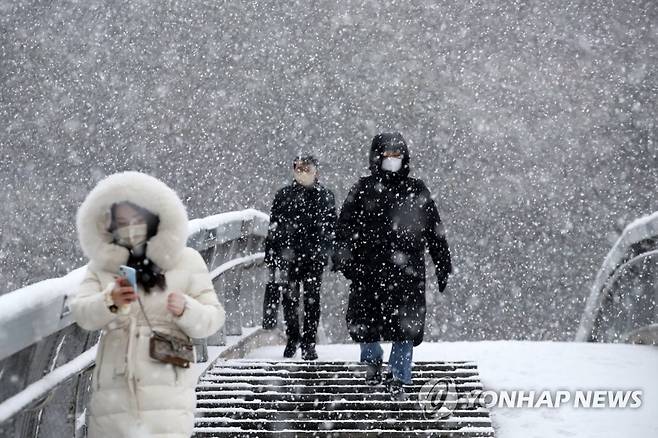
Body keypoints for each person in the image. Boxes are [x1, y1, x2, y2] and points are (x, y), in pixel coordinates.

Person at [70, 171, 225, 438]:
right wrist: (109, 301)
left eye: (136, 220)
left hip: (169, 390)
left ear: (153, 218)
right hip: (114, 391)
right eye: (121, 222)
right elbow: (82, 313)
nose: (130, 228)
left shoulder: (186, 260)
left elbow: (213, 318)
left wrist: (186, 309)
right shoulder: (101, 267)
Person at [332, 132, 452, 400]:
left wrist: (443, 263)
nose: (392, 161)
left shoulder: (417, 190)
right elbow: (344, 229)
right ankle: (371, 362)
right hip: (368, 271)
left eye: (397, 156)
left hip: (407, 272)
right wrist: (345, 261)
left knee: (406, 326)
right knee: (365, 321)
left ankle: (399, 374)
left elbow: (435, 231)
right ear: (377, 157)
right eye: (387, 156)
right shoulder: (361, 190)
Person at [264, 155, 337, 360]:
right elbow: (274, 227)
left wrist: (331, 252)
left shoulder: (325, 196)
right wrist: (272, 253)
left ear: (316, 171)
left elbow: (332, 228)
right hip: (290, 257)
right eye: (298, 167)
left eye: (307, 168)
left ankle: (309, 342)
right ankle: (293, 337)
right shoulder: (284, 195)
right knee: (290, 299)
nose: (302, 171)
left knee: (312, 300)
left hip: (314, 258)